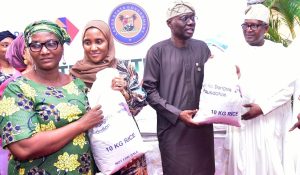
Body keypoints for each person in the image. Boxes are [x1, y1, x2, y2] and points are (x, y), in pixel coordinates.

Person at [0, 20, 104, 174]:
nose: (44, 51)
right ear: (27, 50)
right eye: (36, 45)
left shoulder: (77, 85)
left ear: (62, 47)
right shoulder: (17, 89)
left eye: (51, 43)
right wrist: (81, 124)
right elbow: (23, 147)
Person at [142, 2, 215, 175]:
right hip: (172, 131)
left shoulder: (202, 48)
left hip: (201, 130)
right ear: (169, 23)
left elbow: (213, 83)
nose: (191, 22)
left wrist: (229, 72)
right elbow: (150, 92)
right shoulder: (157, 52)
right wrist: (177, 114)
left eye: (192, 17)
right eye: (184, 18)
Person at [226, 4, 296, 175]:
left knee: (270, 166)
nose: (248, 30)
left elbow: (288, 90)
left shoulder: (279, 53)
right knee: (241, 167)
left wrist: (262, 108)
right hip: (241, 123)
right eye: (245, 25)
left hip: (269, 122)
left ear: (265, 28)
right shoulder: (233, 52)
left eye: (254, 25)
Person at [69, 20, 147, 175]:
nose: (93, 48)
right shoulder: (75, 75)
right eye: (87, 42)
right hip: (95, 150)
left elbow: (139, 104)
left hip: (127, 146)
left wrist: (123, 93)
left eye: (99, 41)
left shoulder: (123, 68)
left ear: (108, 42)